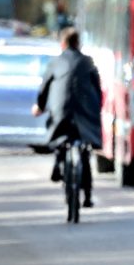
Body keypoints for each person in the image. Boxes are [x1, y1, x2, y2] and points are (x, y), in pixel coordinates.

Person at [32, 28, 103, 207]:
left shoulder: (55, 63)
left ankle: (58, 162)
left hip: (60, 110)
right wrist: (96, 109)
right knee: (85, 149)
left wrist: (40, 106)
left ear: (62, 44)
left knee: (58, 133)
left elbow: (44, 89)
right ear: (78, 43)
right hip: (85, 111)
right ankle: (87, 196)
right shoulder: (88, 62)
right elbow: (97, 90)